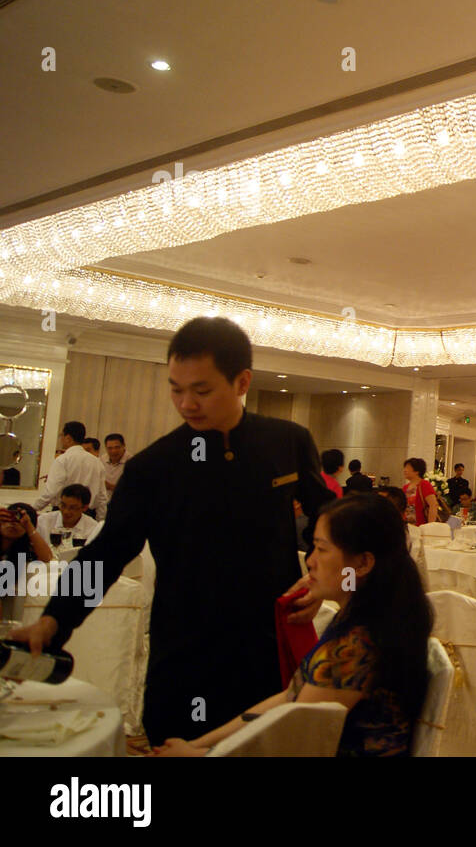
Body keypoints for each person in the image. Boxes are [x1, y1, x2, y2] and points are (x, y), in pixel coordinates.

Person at [10, 317, 336, 745]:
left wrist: (318, 581)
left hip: (267, 642)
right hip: (186, 651)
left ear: (242, 381)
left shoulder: (287, 441)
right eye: (175, 388)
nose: (186, 403)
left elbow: (328, 518)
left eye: (201, 390)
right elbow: (108, 552)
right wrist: (54, 621)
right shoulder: (153, 467)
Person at [155, 493, 433, 757]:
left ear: (362, 563)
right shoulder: (370, 614)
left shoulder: (355, 648)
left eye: (322, 549)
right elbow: (290, 698)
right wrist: (198, 745)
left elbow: (291, 739)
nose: (310, 561)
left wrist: (199, 754)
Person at [33, 421, 108, 518]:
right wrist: (100, 521)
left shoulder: (63, 460)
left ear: (68, 438)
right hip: (88, 514)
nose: (61, 439)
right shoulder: (96, 462)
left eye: (61, 436)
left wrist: (32, 508)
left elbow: (51, 491)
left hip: (64, 513)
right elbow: (102, 497)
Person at [1, 504, 52, 620]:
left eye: (18, 521)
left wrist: (28, 526)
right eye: (9, 519)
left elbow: (47, 557)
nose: (12, 524)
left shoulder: (25, 550)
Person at [35, 484, 102, 547]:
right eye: (63, 505)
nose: (66, 511)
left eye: (72, 508)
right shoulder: (43, 521)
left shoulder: (92, 528)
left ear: (84, 508)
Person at [401, 458, 437, 525]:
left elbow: (433, 505)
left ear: (417, 471)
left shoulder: (424, 484)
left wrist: (430, 525)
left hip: (421, 526)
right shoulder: (405, 487)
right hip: (406, 525)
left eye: (408, 468)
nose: (404, 470)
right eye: (404, 468)